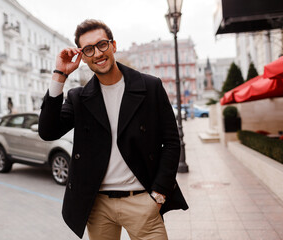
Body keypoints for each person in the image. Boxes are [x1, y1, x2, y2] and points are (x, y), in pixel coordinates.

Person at [39, 19, 188, 240]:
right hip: (98, 206)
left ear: (113, 45)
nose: (97, 53)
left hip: (142, 201)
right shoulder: (78, 98)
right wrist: (60, 74)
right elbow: (48, 131)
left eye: (102, 44)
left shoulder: (150, 86)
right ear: (83, 56)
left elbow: (172, 142)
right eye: (89, 49)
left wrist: (158, 193)